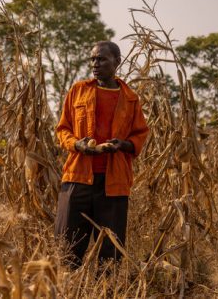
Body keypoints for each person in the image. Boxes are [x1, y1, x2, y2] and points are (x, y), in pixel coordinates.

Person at [54, 41, 150, 268]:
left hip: (113, 183)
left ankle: (106, 291)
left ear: (117, 62)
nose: (95, 64)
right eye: (93, 59)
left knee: (110, 251)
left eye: (101, 59)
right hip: (77, 179)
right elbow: (62, 130)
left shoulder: (130, 98)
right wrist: (79, 145)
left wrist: (123, 145)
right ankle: (68, 289)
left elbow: (140, 135)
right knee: (67, 246)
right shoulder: (78, 91)